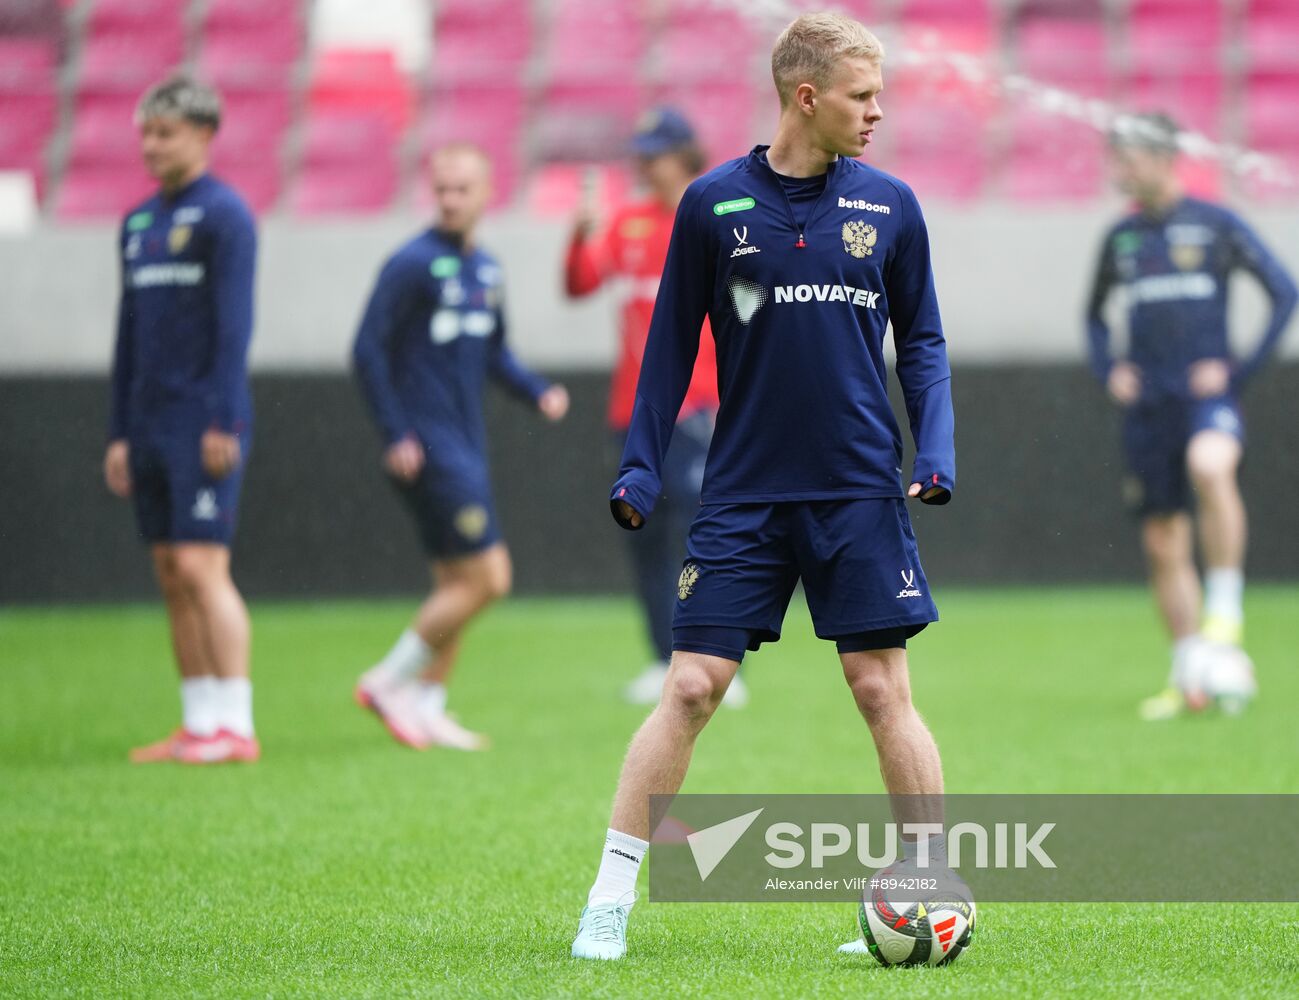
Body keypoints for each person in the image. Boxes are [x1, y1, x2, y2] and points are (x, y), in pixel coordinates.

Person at [570, 13, 955, 960]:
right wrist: (638, 461)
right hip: (742, 495)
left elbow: (927, 344)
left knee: (879, 688)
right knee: (692, 687)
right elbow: (667, 350)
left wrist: (933, 450)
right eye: (863, 97)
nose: (878, 113)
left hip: (859, 491)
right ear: (806, 96)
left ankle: (928, 897)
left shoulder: (893, 206)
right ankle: (609, 896)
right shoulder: (709, 206)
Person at [352, 144, 570, 751]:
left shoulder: (487, 269)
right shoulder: (411, 264)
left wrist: (537, 392)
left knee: (455, 580)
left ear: (486, 193)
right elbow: (367, 349)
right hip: (429, 447)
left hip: (465, 441)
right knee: (489, 579)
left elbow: (494, 351)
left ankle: (427, 704)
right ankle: (387, 682)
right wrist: (395, 431)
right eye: (440, 189)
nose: (449, 199)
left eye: (460, 189)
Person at [1086, 112, 1297, 721]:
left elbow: (1285, 292)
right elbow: (1095, 315)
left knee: (1212, 466)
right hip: (1149, 407)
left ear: (1160, 157)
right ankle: (1189, 675)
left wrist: (1238, 371)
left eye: (1126, 156)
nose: (1118, 169)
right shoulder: (1120, 237)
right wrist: (1110, 369)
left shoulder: (1216, 224)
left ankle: (1225, 610)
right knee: (1162, 539)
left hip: (1207, 399)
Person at [564, 108, 747, 708]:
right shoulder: (629, 223)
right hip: (633, 412)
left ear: (683, 155)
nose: (645, 164)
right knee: (642, 533)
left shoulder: (716, 216)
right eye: (641, 153)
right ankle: (660, 658)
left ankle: (717, 661)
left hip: (698, 408)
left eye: (656, 152)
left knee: (701, 534)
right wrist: (578, 235)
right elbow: (580, 284)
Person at [104, 75, 260, 765]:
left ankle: (237, 723)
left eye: (164, 132)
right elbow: (127, 335)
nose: (150, 145)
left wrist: (224, 418)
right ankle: (198, 724)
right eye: (145, 132)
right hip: (149, 422)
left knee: (202, 565)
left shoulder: (226, 216)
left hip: (204, 421)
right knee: (170, 567)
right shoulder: (136, 225)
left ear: (203, 134)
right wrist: (118, 430)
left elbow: (234, 327)